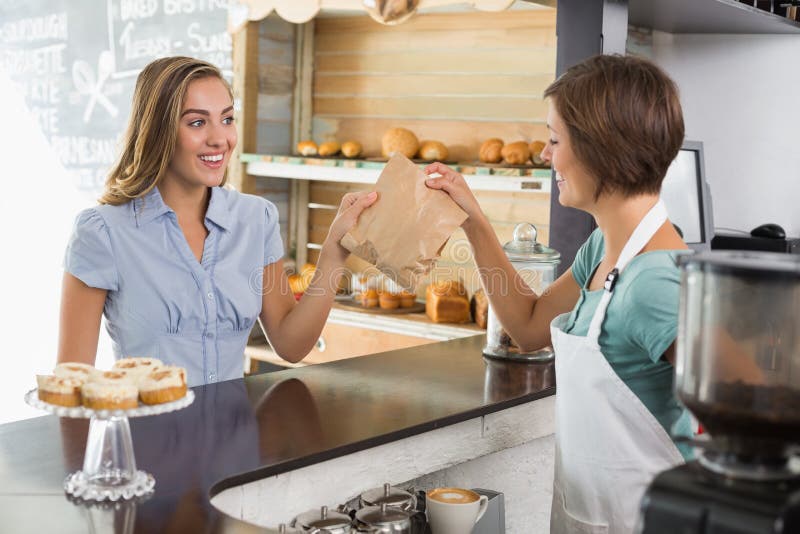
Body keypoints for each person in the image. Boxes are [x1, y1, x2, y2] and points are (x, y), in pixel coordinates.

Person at [425, 54, 693, 534]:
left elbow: (748, 409)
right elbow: (528, 327)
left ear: (600, 148)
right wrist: (474, 221)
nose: (546, 156)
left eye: (554, 140)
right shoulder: (604, 249)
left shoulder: (653, 284)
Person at [57, 56, 376, 386]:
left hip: (236, 437)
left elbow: (290, 344)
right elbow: (70, 386)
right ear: (157, 131)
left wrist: (334, 252)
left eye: (227, 119)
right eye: (197, 123)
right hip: (147, 438)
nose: (220, 139)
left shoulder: (256, 219)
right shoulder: (102, 233)